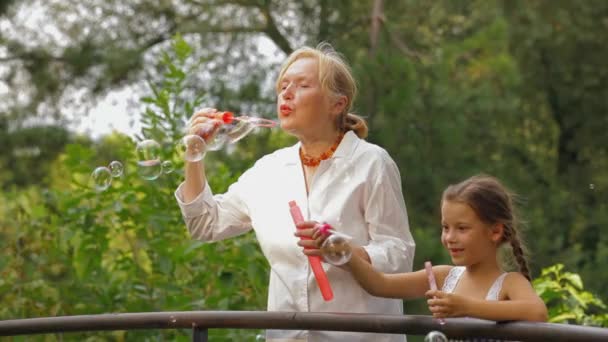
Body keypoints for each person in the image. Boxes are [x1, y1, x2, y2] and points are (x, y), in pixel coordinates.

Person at [175, 42, 415, 342]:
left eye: (302, 85)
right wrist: (194, 153)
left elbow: (400, 253)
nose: (287, 93)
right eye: (283, 86)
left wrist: (345, 251)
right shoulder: (268, 171)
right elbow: (204, 224)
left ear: (337, 104)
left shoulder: (371, 163)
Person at [303, 174, 548, 323]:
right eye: (445, 227)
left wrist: (465, 307)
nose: (449, 237)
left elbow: (537, 313)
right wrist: (345, 254)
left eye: (462, 229)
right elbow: (380, 285)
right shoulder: (442, 276)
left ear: (495, 231)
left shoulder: (510, 283)